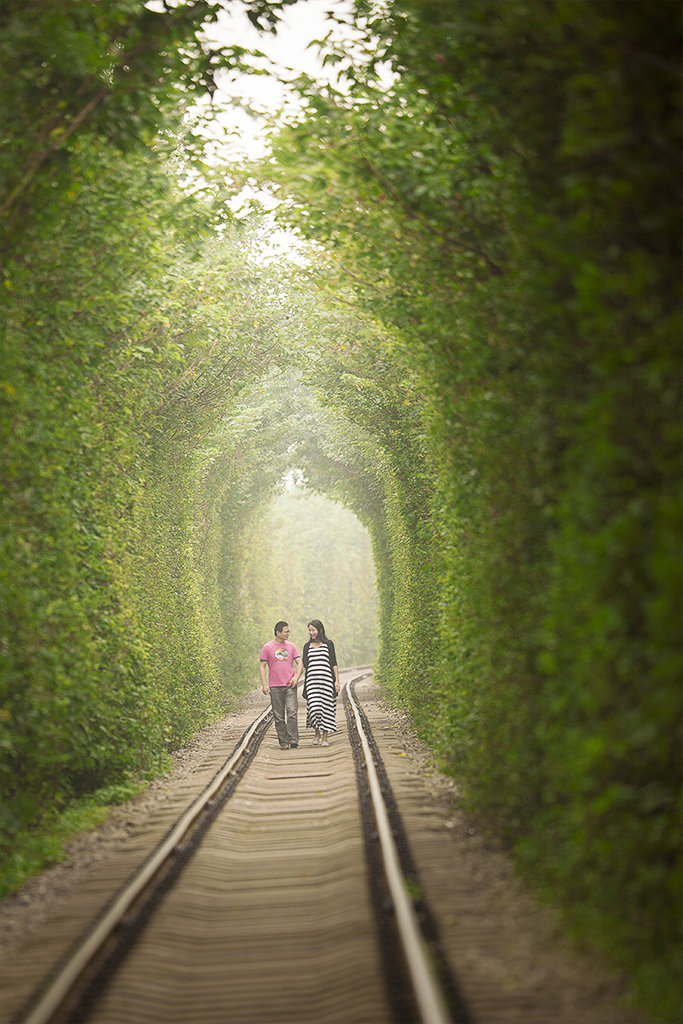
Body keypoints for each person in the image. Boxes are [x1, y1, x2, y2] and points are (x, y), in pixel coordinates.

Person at [260, 621, 302, 750]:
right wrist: (264, 684)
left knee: (292, 712)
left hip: (290, 684)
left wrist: (296, 677)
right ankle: (283, 741)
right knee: (278, 716)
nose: (288, 633)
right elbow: (262, 666)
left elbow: (300, 663)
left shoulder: (291, 646)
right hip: (275, 686)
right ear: (278, 633)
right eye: (286, 631)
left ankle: (293, 738)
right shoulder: (267, 647)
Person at [302, 619, 340, 747]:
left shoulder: (328, 644)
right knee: (314, 707)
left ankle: (324, 737)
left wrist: (337, 681)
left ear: (320, 630)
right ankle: (316, 732)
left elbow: (333, 663)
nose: (311, 633)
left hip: (327, 682)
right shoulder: (306, 646)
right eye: (309, 630)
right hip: (312, 682)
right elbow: (304, 665)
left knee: (326, 708)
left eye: (313, 630)